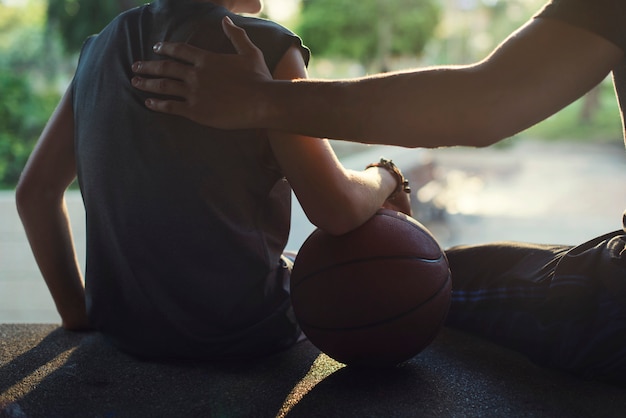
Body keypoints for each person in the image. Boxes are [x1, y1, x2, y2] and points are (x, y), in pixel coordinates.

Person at [130, 0, 626, 381]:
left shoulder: (111, 45)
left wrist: (263, 100)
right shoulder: (264, 42)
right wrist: (387, 175)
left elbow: (486, 103)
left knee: (421, 280)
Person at [16, 0, 411, 361]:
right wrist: (387, 177)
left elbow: (35, 193)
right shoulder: (261, 45)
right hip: (242, 333)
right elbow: (336, 208)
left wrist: (76, 311)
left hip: (121, 331)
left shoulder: (97, 50)